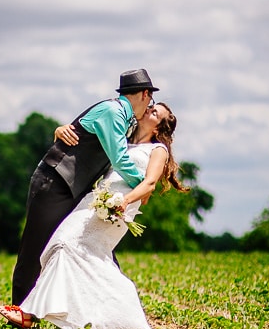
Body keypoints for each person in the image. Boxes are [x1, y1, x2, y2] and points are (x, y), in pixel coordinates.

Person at [0, 101, 186, 329]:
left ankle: (30, 314)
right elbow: (91, 141)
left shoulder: (157, 150)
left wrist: (125, 201)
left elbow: (149, 184)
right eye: (151, 106)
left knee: (64, 244)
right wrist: (63, 129)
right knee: (84, 255)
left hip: (118, 208)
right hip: (95, 202)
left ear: (158, 128)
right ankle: (115, 317)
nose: (149, 109)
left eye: (155, 113)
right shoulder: (122, 139)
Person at [8, 69, 159, 308]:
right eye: (150, 99)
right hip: (55, 183)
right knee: (35, 248)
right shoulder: (113, 112)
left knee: (91, 246)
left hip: (75, 189)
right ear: (144, 93)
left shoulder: (124, 117)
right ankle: (18, 309)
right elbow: (119, 158)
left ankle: (112, 308)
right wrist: (142, 184)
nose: (150, 104)